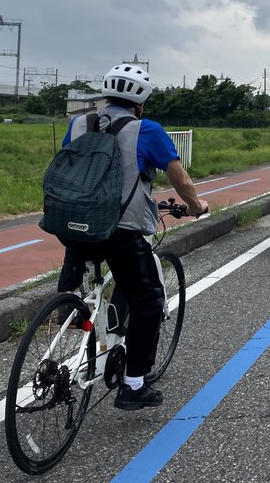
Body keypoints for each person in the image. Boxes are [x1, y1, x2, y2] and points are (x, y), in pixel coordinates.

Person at [55, 63, 209, 412]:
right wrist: (197, 206)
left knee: (82, 282)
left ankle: (72, 307)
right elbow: (180, 181)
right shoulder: (147, 129)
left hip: (72, 225)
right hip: (119, 231)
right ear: (141, 102)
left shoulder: (78, 123)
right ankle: (134, 384)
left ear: (107, 95)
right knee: (149, 301)